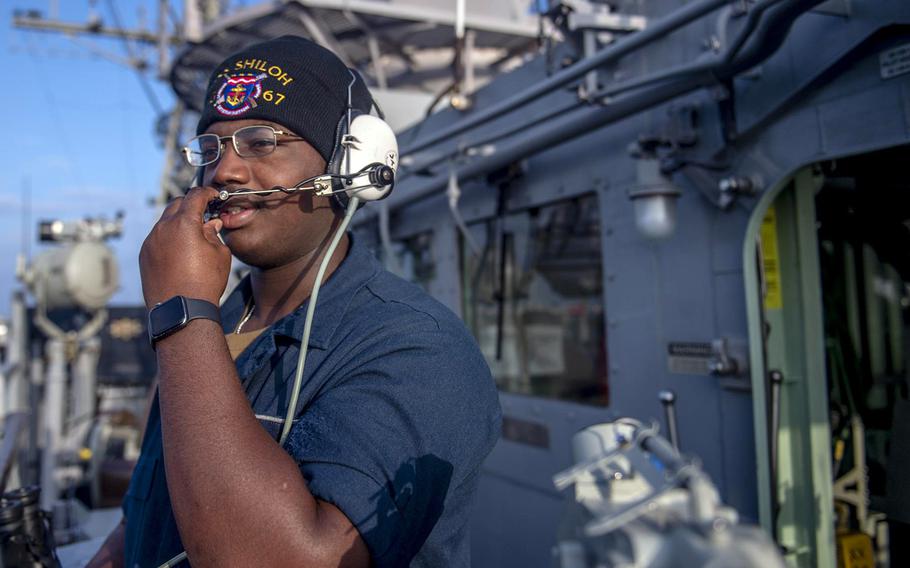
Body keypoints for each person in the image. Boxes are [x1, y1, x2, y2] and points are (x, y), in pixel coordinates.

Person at [86, 35, 501, 568]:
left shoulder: (420, 351)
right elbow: (164, 491)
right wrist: (117, 551)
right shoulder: (213, 323)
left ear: (349, 164)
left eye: (262, 142)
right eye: (210, 150)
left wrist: (182, 310)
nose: (225, 173)